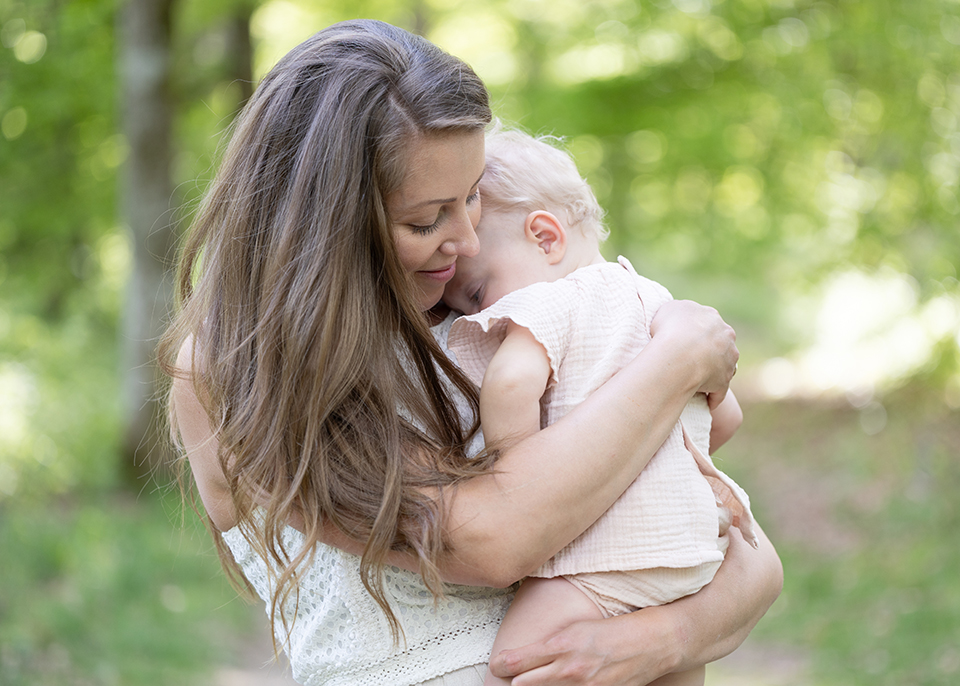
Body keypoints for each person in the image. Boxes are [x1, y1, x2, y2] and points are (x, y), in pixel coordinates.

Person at [158, 19, 782, 686]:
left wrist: (663, 639)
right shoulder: (233, 371)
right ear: (327, 226)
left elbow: (745, 560)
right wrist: (679, 359)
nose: (469, 239)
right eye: (426, 220)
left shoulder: (484, 320)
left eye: (474, 195)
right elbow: (494, 540)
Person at [443, 127, 759, 686]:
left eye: (474, 292)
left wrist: (513, 465)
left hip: (597, 558)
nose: (475, 315)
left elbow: (511, 385)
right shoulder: (655, 300)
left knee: (516, 666)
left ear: (545, 238)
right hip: (690, 555)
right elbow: (724, 418)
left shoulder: (543, 305)